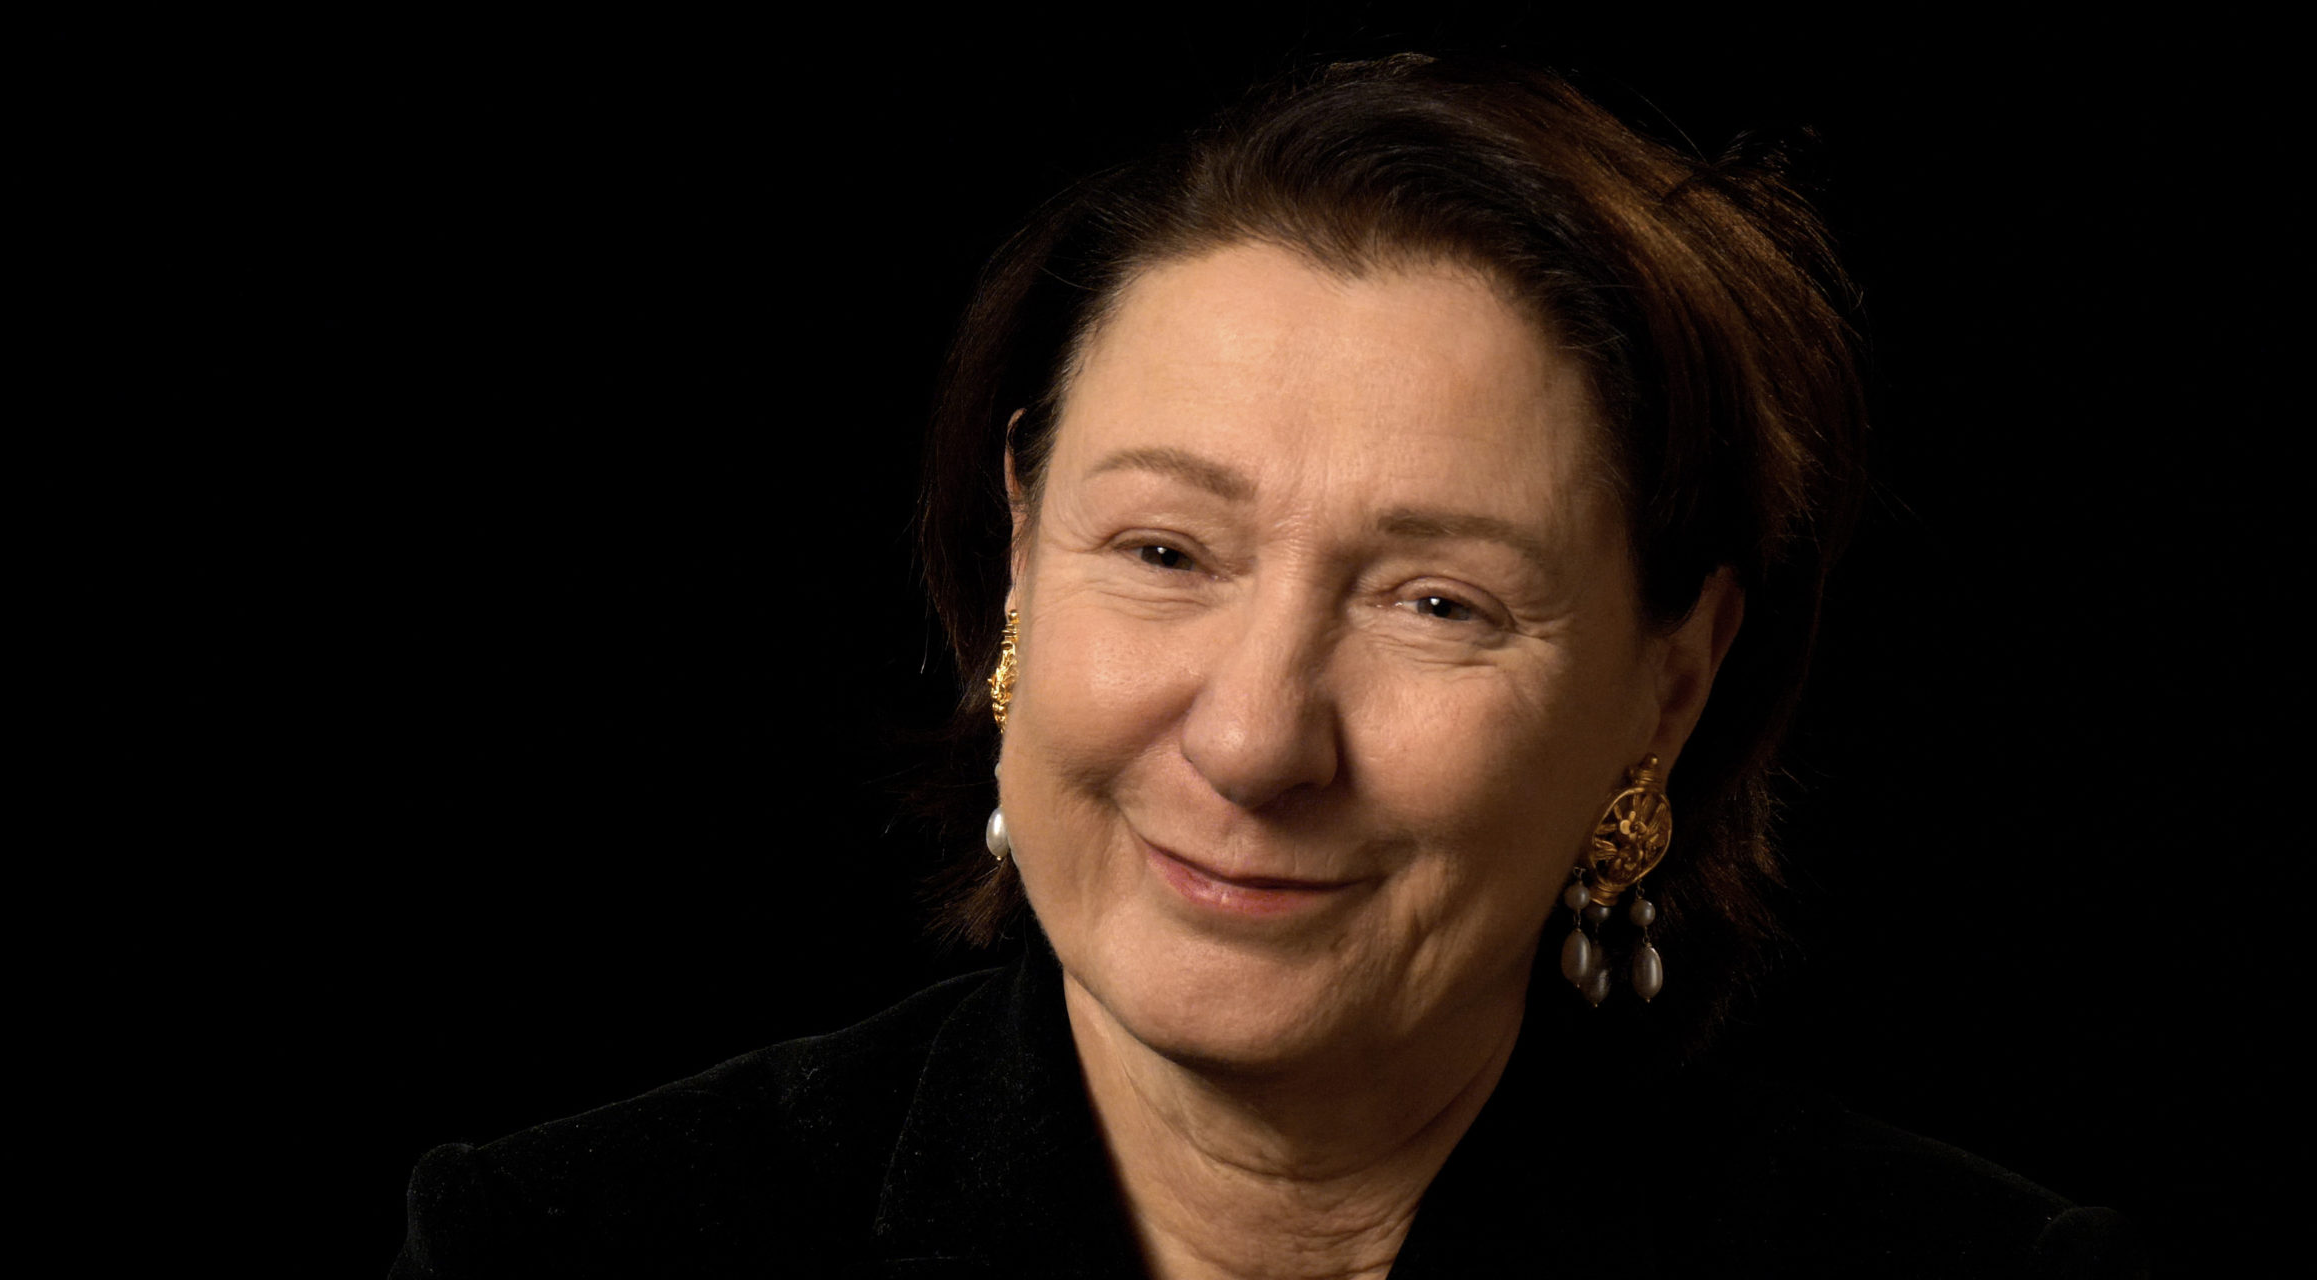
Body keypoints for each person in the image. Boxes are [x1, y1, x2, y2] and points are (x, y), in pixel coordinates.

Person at [389, 55, 2141, 1278]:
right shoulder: (564, 1248)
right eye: (1165, 554)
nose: (1252, 739)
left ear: (1666, 690)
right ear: (1020, 554)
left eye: (1437, 603)